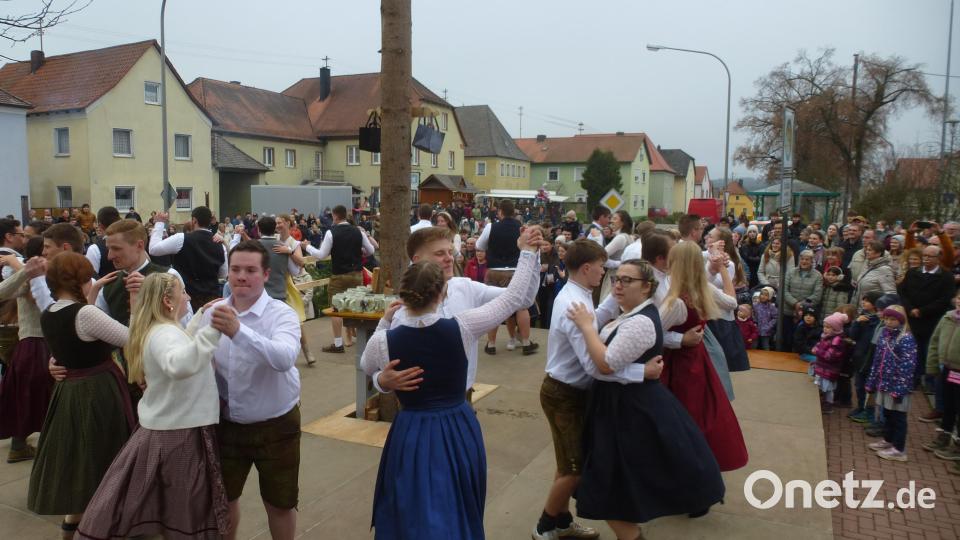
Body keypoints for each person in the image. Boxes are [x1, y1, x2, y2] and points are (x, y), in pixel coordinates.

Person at [360, 229, 542, 540]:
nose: (448, 258)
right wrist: (525, 252)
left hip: (411, 426)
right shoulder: (463, 327)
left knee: (412, 497)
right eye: (440, 254)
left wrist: (383, 326)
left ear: (404, 294)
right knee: (455, 496)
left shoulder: (385, 337)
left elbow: (366, 365)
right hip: (456, 423)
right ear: (441, 293)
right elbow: (513, 298)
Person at [565, 259, 725, 538]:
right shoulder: (630, 313)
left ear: (647, 287)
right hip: (619, 403)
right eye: (616, 279)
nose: (618, 285)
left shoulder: (640, 322)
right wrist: (641, 370)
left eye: (627, 280)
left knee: (610, 480)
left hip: (627, 408)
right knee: (611, 480)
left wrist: (587, 327)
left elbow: (605, 364)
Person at [76, 273, 227, 539]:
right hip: (178, 432)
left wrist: (197, 319)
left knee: (165, 503)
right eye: (183, 292)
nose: (188, 297)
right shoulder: (164, 333)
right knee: (182, 505)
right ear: (168, 301)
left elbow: (179, 345)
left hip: (171, 426)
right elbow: (179, 363)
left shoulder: (160, 330)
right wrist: (214, 329)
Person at [198, 240, 301, 540]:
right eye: (236, 269)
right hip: (227, 424)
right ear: (228, 273)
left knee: (280, 503)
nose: (242, 276)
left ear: (266, 274)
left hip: (276, 425)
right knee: (224, 500)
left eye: (251, 270)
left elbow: (284, 358)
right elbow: (198, 360)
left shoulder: (281, 314)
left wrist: (239, 332)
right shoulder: (212, 312)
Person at [28, 252, 132, 539]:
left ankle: (72, 527)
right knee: (99, 458)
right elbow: (130, 337)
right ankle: (100, 526)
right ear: (79, 279)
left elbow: (75, 331)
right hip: (96, 392)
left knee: (80, 461)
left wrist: (95, 291)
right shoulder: (85, 314)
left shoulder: (49, 312)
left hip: (68, 393)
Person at [534, 239, 617, 540]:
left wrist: (615, 300)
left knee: (568, 463)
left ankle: (562, 521)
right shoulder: (575, 302)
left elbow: (592, 322)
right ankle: (544, 527)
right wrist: (637, 371)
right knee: (573, 469)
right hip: (564, 395)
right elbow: (594, 366)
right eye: (601, 267)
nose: (603, 272)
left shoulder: (577, 293)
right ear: (586, 268)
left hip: (567, 392)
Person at [658, 241, 749, 472]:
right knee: (702, 414)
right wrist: (721, 272)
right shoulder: (703, 290)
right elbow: (732, 302)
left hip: (676, 364)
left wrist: (678, 340)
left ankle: (681, 469)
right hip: (698, 361)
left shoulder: (675, 301)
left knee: (676, 418)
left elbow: (652, 333)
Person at [0, 248, 50, 463]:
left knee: (28, 396)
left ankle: (20, 445)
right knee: (30, 397)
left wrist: (16, 264)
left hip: (32, 344)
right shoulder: (32, 277)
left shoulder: (52, 273)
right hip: (34, 344)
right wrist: (23, 270)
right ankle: (21, 446)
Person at [302, 205, 374, 353]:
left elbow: (321, 255)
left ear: (335, 216)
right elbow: (371, 250)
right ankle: (362, 341)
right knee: (357, 306)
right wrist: (360, 253)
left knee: (336, 308)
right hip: (356, 274)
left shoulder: (331, 232)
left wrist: (307, 247)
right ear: (345, 215)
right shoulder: (358, 231)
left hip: (339, 274)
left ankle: (338, 343)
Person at [898, 244, 955, 413]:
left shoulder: (946, 277)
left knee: (927, 351)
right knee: (911, 349)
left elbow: (944, 299)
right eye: (925, 256)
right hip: (912, 318)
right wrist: (910, 309)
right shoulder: (913, 272)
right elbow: (903, 291)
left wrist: (922, 310)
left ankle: (928, 380)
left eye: (930, 256)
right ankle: (912, 378)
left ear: (938, 258)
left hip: (931, 320)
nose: (926, 259)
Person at [477, 200, 537, 355]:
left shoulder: (491, 227)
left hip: (495, 270)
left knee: (494, 305)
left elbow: (479, 245)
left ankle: (491, 344)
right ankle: (525, 343)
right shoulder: (521, 228)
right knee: (521, 307)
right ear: (514, 212)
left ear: (500, 212)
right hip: (516, 270)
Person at [865, 305, 918, 462]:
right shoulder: (884, 334)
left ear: (901, 320)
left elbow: (908, 365)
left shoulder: (906, 338)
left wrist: (900, 388)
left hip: (897, 386)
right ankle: (888, 440)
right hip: (884, 382)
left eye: (893, 319)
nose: (888, 322)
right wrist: (872, 380)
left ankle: (899, 449)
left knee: (898, 417)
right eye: (886, 318)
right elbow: (877, 359)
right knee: (887, 414)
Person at [150, 207, 228, 311]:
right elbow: (223, 274)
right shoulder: (219, 244)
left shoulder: (181, 238)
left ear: (194, 220)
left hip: (186, 300)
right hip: (211, 300)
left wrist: (159, 223)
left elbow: (153, 249)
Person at [921, 289, 960, 468]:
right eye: (959, 298)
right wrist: (933, 365)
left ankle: (957, 445)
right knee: (948, 405)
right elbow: (935, 342)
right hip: (947, 369)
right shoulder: (948, 318)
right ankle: (944, 435)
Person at [848, 291, 883, 423]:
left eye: (867, 301)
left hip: (870, 359)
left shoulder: (879, 322)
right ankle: (861, 407)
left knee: (869, 386)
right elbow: (852, 335)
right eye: (863, 300)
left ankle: (869, 411)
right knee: (858, 385)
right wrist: (857, 322)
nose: (863, 302)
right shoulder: (862, 317)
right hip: (859, 356)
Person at [780, 250, 822, 352]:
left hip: (806, 314)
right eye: (802, 259)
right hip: (788, 311)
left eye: (807, 259)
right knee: (787, 338)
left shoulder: (817, 275)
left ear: (812, 261)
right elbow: (784, 290)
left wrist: (802, 305)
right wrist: (795, 303)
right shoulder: (790, 272)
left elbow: (817, 295)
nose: (804, 261)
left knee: (801, 340)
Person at [812, 312, 851, 414]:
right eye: (824, 326)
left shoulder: (837, 340)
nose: (825, 329)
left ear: (836, 328)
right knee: (821, 386)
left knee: (828, 389)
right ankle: (823, 402)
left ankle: (828, 406)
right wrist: (816, 347)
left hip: (830, 369)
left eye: (828, 327)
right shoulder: (826, 336)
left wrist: (817, 351)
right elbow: (820, 344)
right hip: (822, 367)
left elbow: (830, 356)